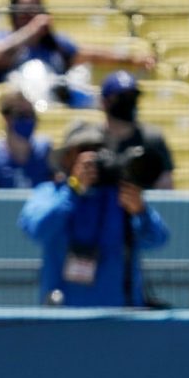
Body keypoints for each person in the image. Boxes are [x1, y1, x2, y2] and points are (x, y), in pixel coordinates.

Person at [18, 121, 169, 307]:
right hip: (63, 314)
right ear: (66, 158)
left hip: (120, 317)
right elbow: (37, 230)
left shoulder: (122, 195)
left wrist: (140, 211)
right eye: (84, 150)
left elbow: (157, 240)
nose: (93, 157)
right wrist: (73, 191)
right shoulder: (51, 192)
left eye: (99, 149)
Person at [0, 0, 154, 107]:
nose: (30, 15)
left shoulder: (54, 44)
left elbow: (89, 55)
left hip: (57, 101)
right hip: (21, 107)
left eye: (35, 10)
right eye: (24, 11)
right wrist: (31, 32)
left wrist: (132, 59)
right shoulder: (3, 38)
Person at [98, 70, 175, 190]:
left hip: (142, 206)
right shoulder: (91, 140)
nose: (129, 102)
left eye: (133, 97)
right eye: (122, 97)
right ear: (104, 102)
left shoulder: (152, 139)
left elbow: (165, 187)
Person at [0, 88, 53, 189]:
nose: (28, 119)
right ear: (6, 118)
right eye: (21, 115)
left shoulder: (45, 149)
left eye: (31, 114)